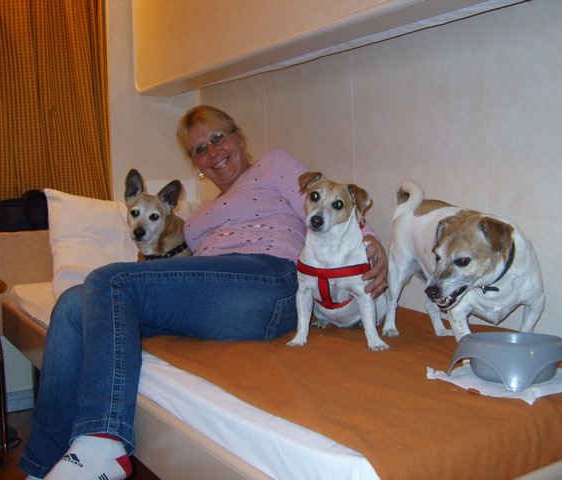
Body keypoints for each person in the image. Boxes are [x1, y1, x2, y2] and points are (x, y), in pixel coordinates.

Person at [19, 105, 389, 480]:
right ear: (196, 164)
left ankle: (103, 440)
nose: (212, 152)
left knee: (108, 279)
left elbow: (332, 203)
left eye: (218, 138)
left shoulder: (274, 166)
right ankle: (41, 469)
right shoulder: (195, 221)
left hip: (267, 278)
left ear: (239, 138)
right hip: (219, 298)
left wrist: (371, 243)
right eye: (200, 150)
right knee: (71, 303)